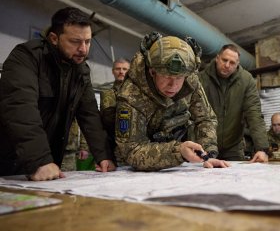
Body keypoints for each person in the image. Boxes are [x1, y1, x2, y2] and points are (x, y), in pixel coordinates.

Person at [0, 7, 116, 180]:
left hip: (48, 164)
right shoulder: (26, 57)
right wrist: (39, 160)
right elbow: (20, 108)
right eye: (75, 41)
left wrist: (103, 156)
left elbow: (90, 115)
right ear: (54, 38)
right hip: (12, 160)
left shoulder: (81, 71)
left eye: (88, 41)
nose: (83, 49)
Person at [115, 32, 230, 171]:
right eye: (166, 76)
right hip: (130, 165)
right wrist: (177, 151)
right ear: (152, 72)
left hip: (172, 160)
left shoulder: (190, 81)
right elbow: (132, 150)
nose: (173, 85)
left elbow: (205, 119)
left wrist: (208, 154)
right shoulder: (131, 95)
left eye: (179, 78)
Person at [199, 44, 269, 162]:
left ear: (237, 65)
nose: (227, 65)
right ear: (217, 58)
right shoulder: (201, 78)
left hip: (233, 146)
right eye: (224, 60)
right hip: (203, 144)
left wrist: (262, 149)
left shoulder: (247, 81)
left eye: (232, 63)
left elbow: (254, 114)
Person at [100, 58, 131, 165]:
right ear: (113, 71)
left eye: (124, 69)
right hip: (115, 144)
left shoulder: (139, 94)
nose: (121, 71)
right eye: (118, 69)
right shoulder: (107, 94)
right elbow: (104, 121)